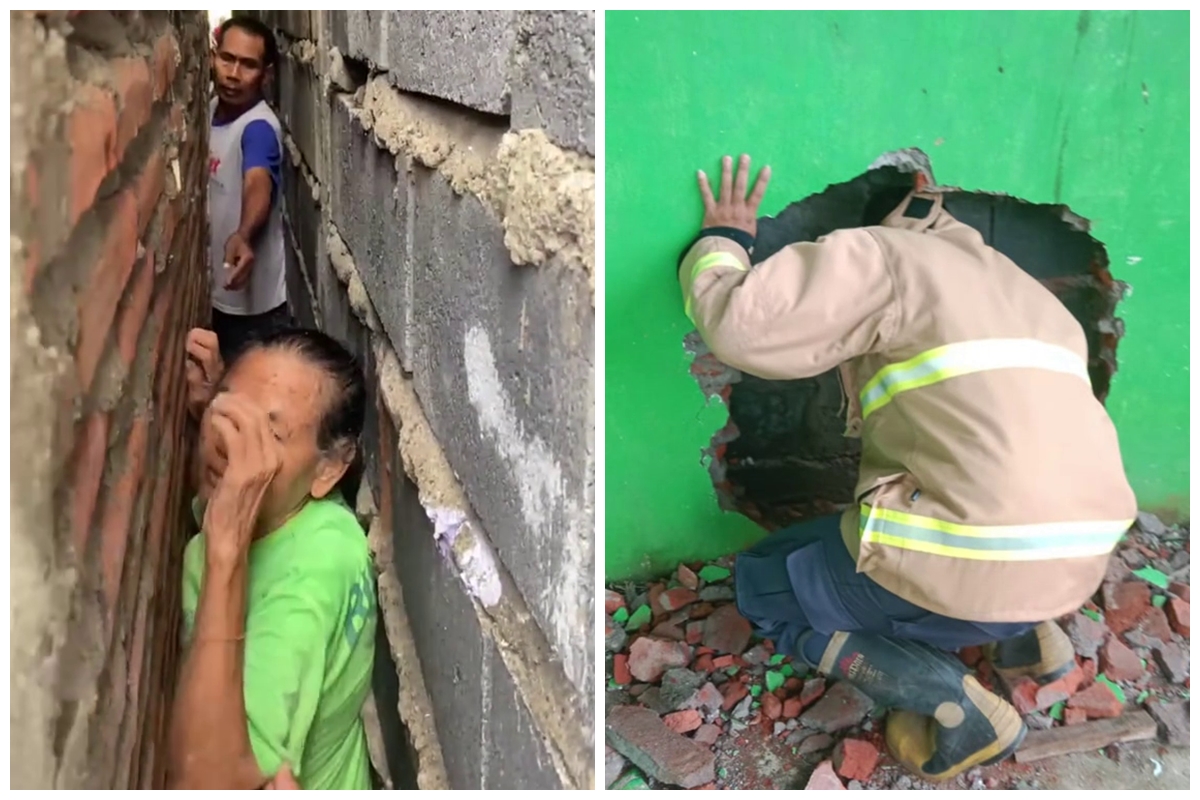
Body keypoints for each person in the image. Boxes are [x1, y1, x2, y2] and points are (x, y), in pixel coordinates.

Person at [679, 155, 1136, 781]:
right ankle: (1025, 639)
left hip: (982, 557)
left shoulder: (887, 255)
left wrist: (723, 241)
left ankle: (954, 706)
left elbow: (742, 325)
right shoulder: (1024, 292)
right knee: (997, 504)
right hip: (1077, 561)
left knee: (767, 582)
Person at [169, 327, 376, 790]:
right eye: (230, 409)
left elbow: (207, 782)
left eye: (269, 432)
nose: (229, 442)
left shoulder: (310, 581)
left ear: (329, 468)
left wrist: (225, 552)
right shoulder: (283, 502)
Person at [209, 15, 290, 364]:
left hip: (254, 314)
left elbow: (258, 179)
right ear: (213, 57)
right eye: (227, 59)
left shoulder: (258, 127)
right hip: (222, 295)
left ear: (266, 75)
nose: (233, 74)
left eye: (248, 65)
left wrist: (244, 233)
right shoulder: (211, 108)